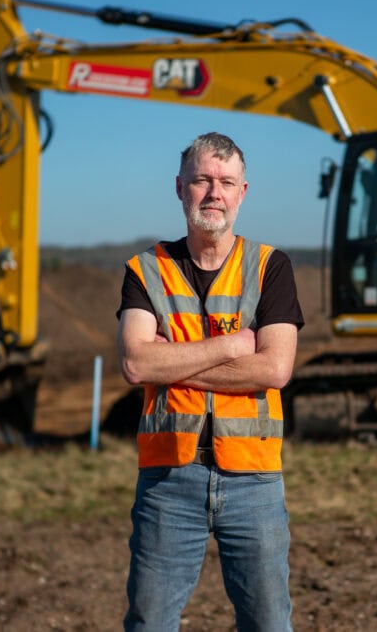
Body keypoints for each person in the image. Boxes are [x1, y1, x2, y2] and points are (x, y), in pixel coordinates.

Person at [116, 132, 303, 631]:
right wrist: (231, 345)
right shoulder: (146, 270)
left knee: (268, 623)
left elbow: (275, 370)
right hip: (167, 480)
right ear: (180, 188)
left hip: (254, 480)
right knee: (150, 622)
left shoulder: (270, 268)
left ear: (243, 192)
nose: (213, 193)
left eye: (225, 182)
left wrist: (172, 359)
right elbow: (136, 365)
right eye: (201, 180)